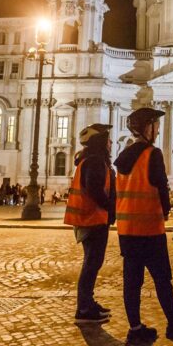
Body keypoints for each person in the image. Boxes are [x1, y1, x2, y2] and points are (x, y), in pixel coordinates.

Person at [115, 108, 173, 344]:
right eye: (155, 125)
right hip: (148, 227)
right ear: (147, 128)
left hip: (127, 230)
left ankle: (135, 328)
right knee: (161, 278)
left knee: (132, 281)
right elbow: (160, 187)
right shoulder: (152, 154)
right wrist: (166, 209)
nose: (158, 129)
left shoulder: (122, 157)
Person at [66, 123, 115, 324]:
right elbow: (95, 190)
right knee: (91, 264)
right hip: (92, 220)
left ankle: (88, 302)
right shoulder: (94, 161)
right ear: (100, 142)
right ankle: (84, 308)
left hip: (92, 219)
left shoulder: (92, 160)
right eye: (107, 139)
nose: (111, 142)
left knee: (92, 263)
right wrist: (111, 207)